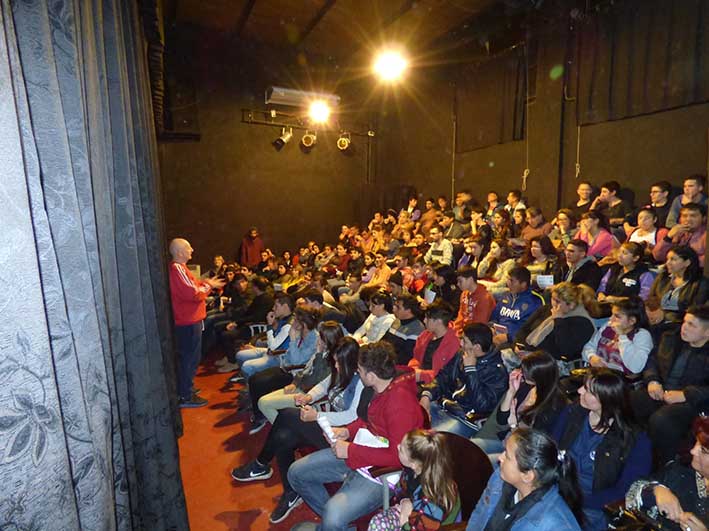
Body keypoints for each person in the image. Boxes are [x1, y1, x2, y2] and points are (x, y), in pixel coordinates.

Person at [287, 341, 425, 531]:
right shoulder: (379, 387)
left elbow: (398, 456)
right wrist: (347, 431)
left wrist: (351, 449)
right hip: (362, 453)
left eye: (359, 370)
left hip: (382, 472)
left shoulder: (400, 404)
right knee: (296, 473)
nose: (357, 373)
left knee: (333, 515)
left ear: (371, 375)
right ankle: (338, 525)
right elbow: (369, 419)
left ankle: (332, 522)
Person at [233, 338, 362, 524]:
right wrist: (309, 396)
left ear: (350, 362)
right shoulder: (338, 371)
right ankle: (290, 492)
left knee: (286, 415)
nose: (335, 365)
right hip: (326, 426)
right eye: (334, 361)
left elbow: (352, 417)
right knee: (284, 436)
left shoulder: (359, 382)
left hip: (339, 434)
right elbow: (322, 386)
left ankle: (261, 464)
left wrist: (317, 415)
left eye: (338, 362)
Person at [552, 369, 652, 531]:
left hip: (592, 505)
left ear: (606, 400)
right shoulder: (574, 412)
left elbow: (626, 488)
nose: (579, 391)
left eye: (588, 390)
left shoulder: (634, 438)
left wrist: (578, 501)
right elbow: (551, 448)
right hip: (557, 489)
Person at [631, 305, 709, 464]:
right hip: (661, 389)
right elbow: (652, 361)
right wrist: (652, 380)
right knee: (630, 401)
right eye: (685, 322)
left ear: (707, 332)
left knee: (662, 420)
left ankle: (665, 464)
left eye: (691, 325)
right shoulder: (671, 338)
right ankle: (631, 452)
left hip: (692, 401)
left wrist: (686, 394)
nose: (684, 328)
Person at [467, 428, 583, 530]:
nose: (500, 457)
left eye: (507, 456)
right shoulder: (499, 477)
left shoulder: (555, 525)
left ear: (527, 476)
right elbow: (479, 515)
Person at [473, 351, 568, 462]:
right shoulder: (527, 386)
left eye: (526, 374)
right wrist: (511, 392)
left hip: (523, 454)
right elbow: (502, 420)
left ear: (540, 377)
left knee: (482, 461)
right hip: (508, 440)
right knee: (472, 446)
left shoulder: (554, 406)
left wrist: (513, 425)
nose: (521, 375)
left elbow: (531, 445)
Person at [419, 323, 507, 438]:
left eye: (464, 341)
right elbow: (444, 376)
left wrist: (471, 371)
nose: (461, 344)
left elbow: (482, 405)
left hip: (466, 419)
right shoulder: (462, 354)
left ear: (477, 347)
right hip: (445, 405)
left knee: (431, 440)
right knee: (410, 421)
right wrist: (427, 395)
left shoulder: (497, 372)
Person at [243, 306, 320, 433]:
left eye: (296, 320)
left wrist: (293, 339)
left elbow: (297, 361)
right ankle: (259, 412)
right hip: (286, 366)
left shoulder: (313, 338)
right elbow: (290, 354)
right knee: (254, 379)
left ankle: (260, 417)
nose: (293, 322)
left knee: (259, 382)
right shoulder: (301, 332)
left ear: (304, 323)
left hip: (295, 372)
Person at [168, 238, 225, 407]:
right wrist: (208, 285)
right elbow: (193, 293)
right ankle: (185, 395)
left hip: (190, 320)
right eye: (188, 247)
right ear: (179, 252)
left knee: (191, 358)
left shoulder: (181, 268)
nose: (192, 249)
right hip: (187, 322)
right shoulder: (177, 268)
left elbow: (195, 285)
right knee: (189, 358)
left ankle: (187, 389)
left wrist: (206, 285)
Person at [626, 415, 709, 531]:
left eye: (703, 450)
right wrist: (657, 490)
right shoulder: (682, 469)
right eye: (697, 443)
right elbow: (633, 492)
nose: (693, 451)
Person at [367, 429, 461, 530]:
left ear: (414, 464)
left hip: (426, 523)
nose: (398, 446)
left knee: (379, 525)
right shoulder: (412, 471)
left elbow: (419, 526)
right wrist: (403, 502)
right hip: (413, 513)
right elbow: (401, 492)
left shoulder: (433, 499)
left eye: (402, 449)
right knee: (377, 522)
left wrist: (404, 515)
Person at [256, 321, 344, 425]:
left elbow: (317, 381)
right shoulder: (321, 351)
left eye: (320, 337)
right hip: (299, 387)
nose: (317, 339)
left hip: (307, 393)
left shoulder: (334, 359)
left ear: (327, 340)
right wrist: (294, 383)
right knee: (263, 401)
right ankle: (284, 428)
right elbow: (305, 370)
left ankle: (284, 429)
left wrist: (319, 354)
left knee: (264, 403)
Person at [515, 282, 597, 373]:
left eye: (557, 301)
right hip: (530, 353)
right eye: (552, 298)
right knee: (501, 352)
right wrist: (518, 346)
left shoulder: (583, 323)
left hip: (552, 363)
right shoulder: (546, 310)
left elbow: (565, 349)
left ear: (571, 305)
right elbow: (523, 330)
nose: (553, 303)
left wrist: (558, 320)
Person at [582, 296, 653, 376]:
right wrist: (591, 357)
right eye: (612, 315)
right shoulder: (607, 327)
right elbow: (588, 347)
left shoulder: (642, 335)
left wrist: (622, 337)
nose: (610, 319)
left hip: (619, 381)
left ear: (632, 321)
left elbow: (636, 367)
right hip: (597, 375)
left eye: (617, 316)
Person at [648, 245, 709, 326]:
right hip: (656, 318)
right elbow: (651, 298)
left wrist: (665, 315)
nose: (667, 263)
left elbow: (695, 310)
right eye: (667, 259)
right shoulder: (663, 277)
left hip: (680, 323)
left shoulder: (700, 283)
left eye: (673, 259)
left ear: (687, 262)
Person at [490, 266, 545, 347]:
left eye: (512, 281)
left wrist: (509, 337)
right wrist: (492, 329)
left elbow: (534, 330)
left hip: (517, 342)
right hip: (497, 337)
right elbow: (494, 318)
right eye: (508, 279)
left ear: (523, 284)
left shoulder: (536, 301)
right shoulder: (506, 296)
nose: (508, 283)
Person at [409, 301, 460, 384]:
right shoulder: (425, 335)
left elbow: (448, 374)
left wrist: (422, 375)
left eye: (427, 318)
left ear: (438, 321)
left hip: (437, 386)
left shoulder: (454, 343)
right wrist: (413, 368)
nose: (424, 321)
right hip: (417, 379)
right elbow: (416, 358)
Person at [381, 293, 425, 365]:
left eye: (398, 307)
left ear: (408, 310)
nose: (393, 309)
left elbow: (406, 357)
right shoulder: (397, 321)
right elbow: (383, 341)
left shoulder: (417, 329)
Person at [453, 266, 496, 334]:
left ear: (470, 279)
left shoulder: (485, 298)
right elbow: (461, 315)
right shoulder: (464, 294)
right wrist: (455, 330)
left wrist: (460, 334)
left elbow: (480, 324)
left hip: (474, 334)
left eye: (460, 281)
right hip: (463, 331)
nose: (458, 284)